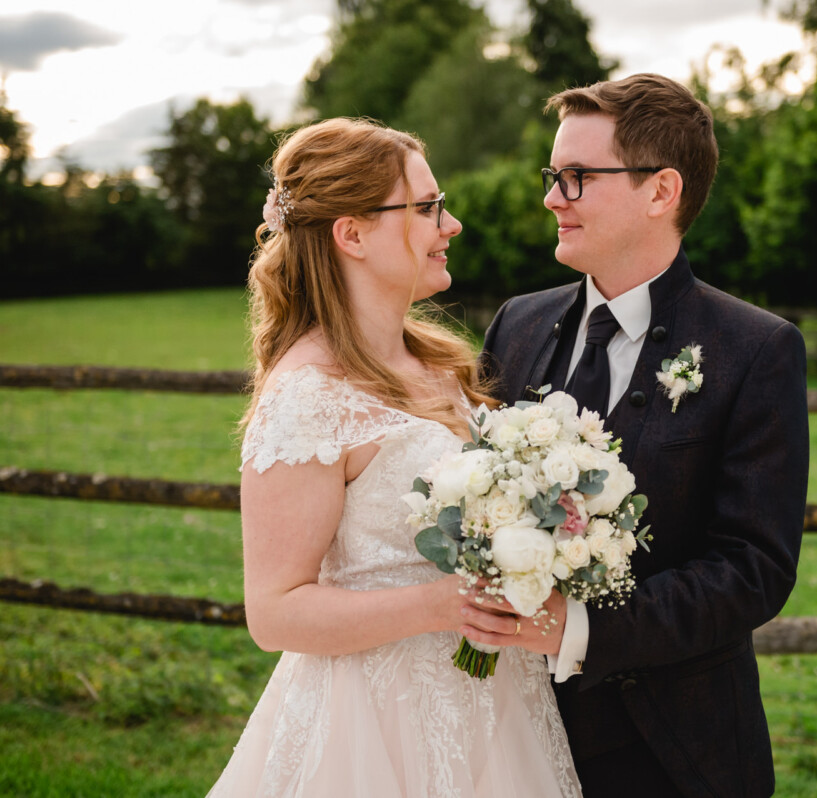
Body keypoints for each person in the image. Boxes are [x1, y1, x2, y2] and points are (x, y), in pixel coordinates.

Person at [207, 118, 581, 797]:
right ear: (352, 234)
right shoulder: (306, 396)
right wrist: (440, 606)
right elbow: (274, 611)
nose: (453, 224)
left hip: (498, 710)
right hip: (372, 731)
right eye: (428, 207)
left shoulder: (439, 362)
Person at [472, 74, 810, 797]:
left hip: (672, 749)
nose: (551, 199)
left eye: (577, 178)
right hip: (509, 732)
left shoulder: (754, 349)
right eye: (552, 176)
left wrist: (581, 628)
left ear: (661, 192)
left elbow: (754, 568)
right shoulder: (518, 324)